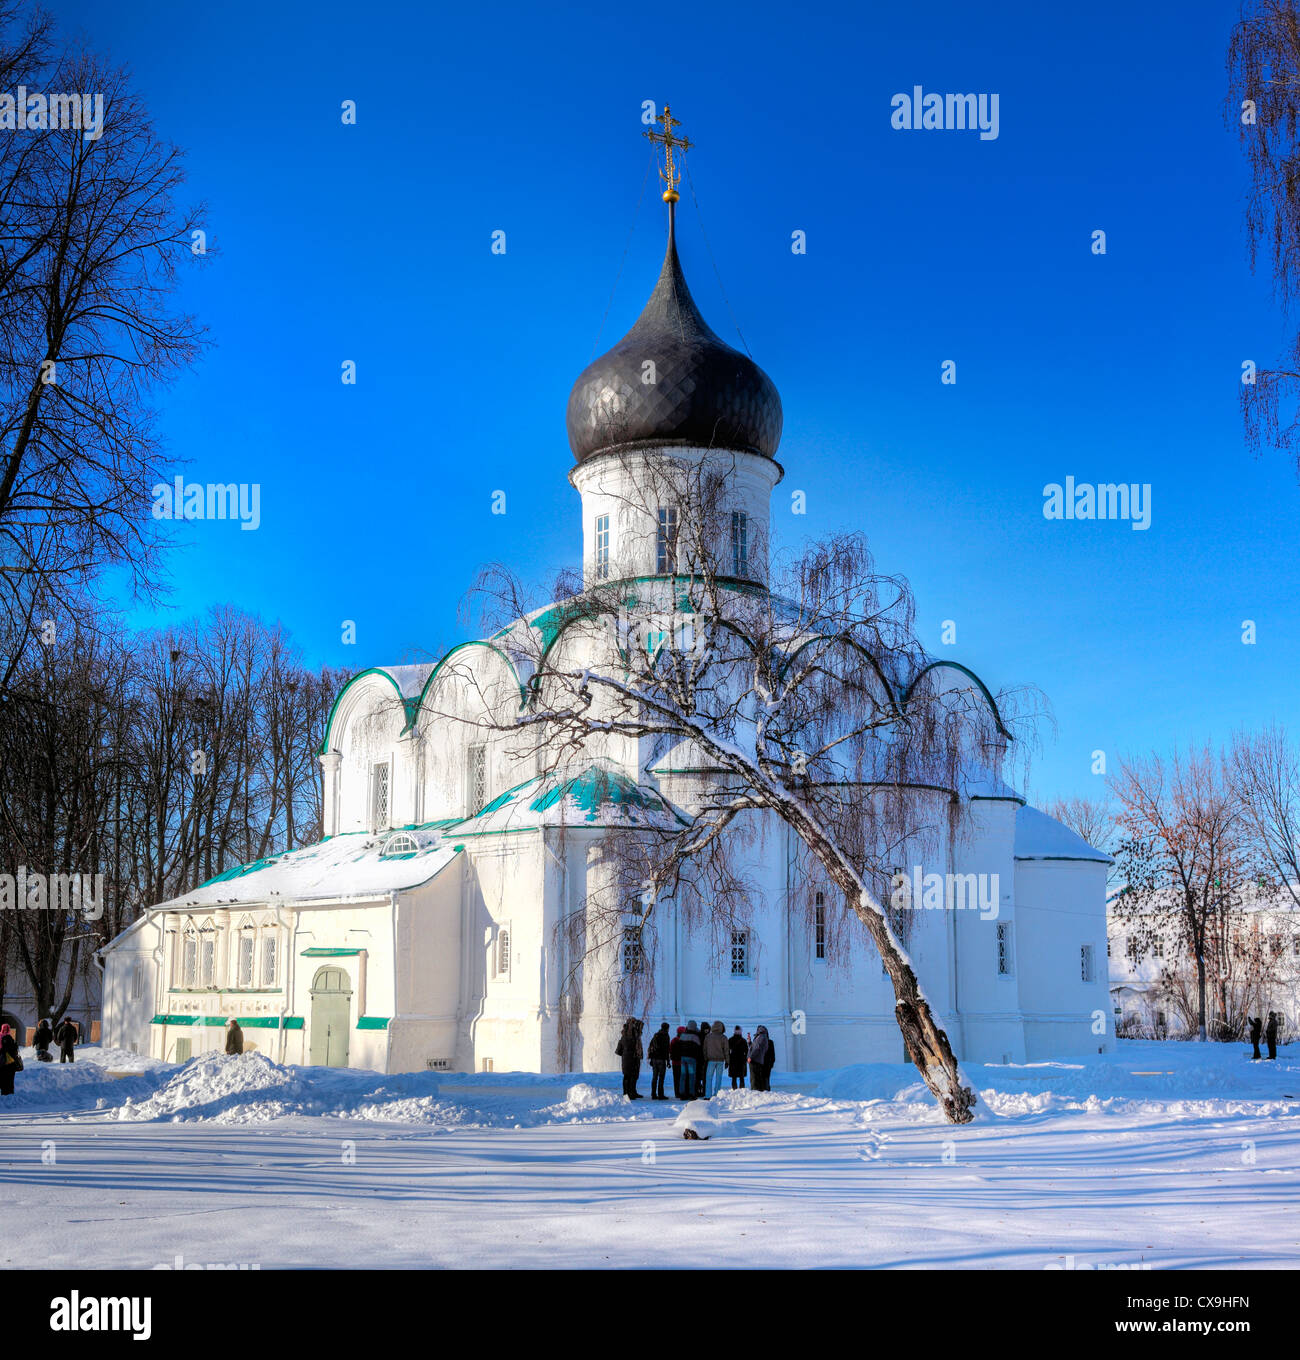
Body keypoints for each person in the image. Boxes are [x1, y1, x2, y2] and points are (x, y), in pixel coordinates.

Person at [615, 1018, 643, 1099]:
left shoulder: (631, 1033)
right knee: (628, 1076)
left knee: (633, 1075)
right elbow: (627, 1046)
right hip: (629, 1057)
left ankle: (632, 1092)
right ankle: (627, 1093)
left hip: (632, 1057)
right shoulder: (628, 1034)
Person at [678, 1021, 702, 1101]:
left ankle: (682, 1093)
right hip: (692, 1058)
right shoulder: (695, 1037)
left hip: (683, 1058)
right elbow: (698, 1048)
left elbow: (679, 1046)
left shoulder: (682, 1035)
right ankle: (691, 1093)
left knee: (683, 1076)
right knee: (692, 1076)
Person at [704, 1020, 728, 1097]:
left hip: (710, 1060)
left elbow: (705, 1048)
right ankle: (716, 1094)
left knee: (709, 1078)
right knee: (718, 1078)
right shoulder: (724, 1037)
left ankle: (708, 1095)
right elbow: (726, 1050)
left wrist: (705, 1057)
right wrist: (727, 1061)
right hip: (720, 1061)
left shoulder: (708, 1036)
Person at [748, 1025, 776, 1092]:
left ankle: (765, 1092)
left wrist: (771, 1063)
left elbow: (757, 1049)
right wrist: (749, 1042)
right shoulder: (769, 1041)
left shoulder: (767, 1041)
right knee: (764, 1079)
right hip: (763, 1063)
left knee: (764, 1079)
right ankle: (765, 1092)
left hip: (764, 1063)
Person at [647, 1021, 670, 1099]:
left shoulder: (656, 1035)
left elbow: (650, 1047)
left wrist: (650, 1058)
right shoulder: (666, 1036)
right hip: (661, 1059)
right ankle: (660, 1094)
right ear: (667, 1028)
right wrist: (668, 1061)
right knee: (661, 1077)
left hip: (654, 1059)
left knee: (654, 1077)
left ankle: (653, 1094)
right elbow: (667, 1050)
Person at [0, 1023, 20, 1096]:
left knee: (3, 1078)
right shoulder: (11, 1039)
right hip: (12, 1063)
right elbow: (15, 1051)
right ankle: (10, 1092)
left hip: (4, 1063)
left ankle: (4, 1092)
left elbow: (2, 1050)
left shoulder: (2, 1038)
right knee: (10, 1079)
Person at [668, 1026, 686, 1099]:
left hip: (675, 1062)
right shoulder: (684, 1040)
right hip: (682, 1062)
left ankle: (677, 1093)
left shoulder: (673, 1040)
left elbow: (670, 1050)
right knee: (682, 1078)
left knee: (676, 1079)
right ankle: (682, 1092)